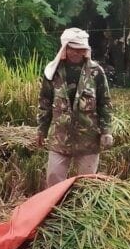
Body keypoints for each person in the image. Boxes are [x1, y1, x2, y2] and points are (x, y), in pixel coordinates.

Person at [37, 27, 113, 187]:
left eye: (81, 50)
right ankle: (57, 211)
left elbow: (104, 104)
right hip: (60, 138)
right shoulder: (53, 72)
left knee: (88, 185)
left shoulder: (96, 73)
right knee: (54, 180)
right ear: (65, 48)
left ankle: (83, 212)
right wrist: (41, 130)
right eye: (73, 49)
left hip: (88, 139)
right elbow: (45, 103)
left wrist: (107, 131)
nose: (77, 53)